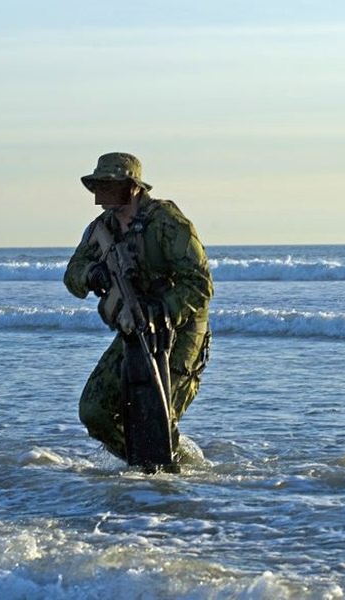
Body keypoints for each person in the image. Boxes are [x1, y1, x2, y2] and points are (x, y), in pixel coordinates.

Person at [64, 152, 213, 464]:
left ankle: (171, 475)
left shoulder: (167, 223)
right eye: (97, 186)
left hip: (180, 329)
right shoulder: (101, 230)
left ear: (132, 187)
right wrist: (91, 274)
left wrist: (161, 309)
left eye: (108, 185)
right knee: (95, 412)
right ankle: (144, 470)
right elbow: (72, 276)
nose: (100, 192)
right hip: (135, 329)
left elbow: (200, 284)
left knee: (157, 417)